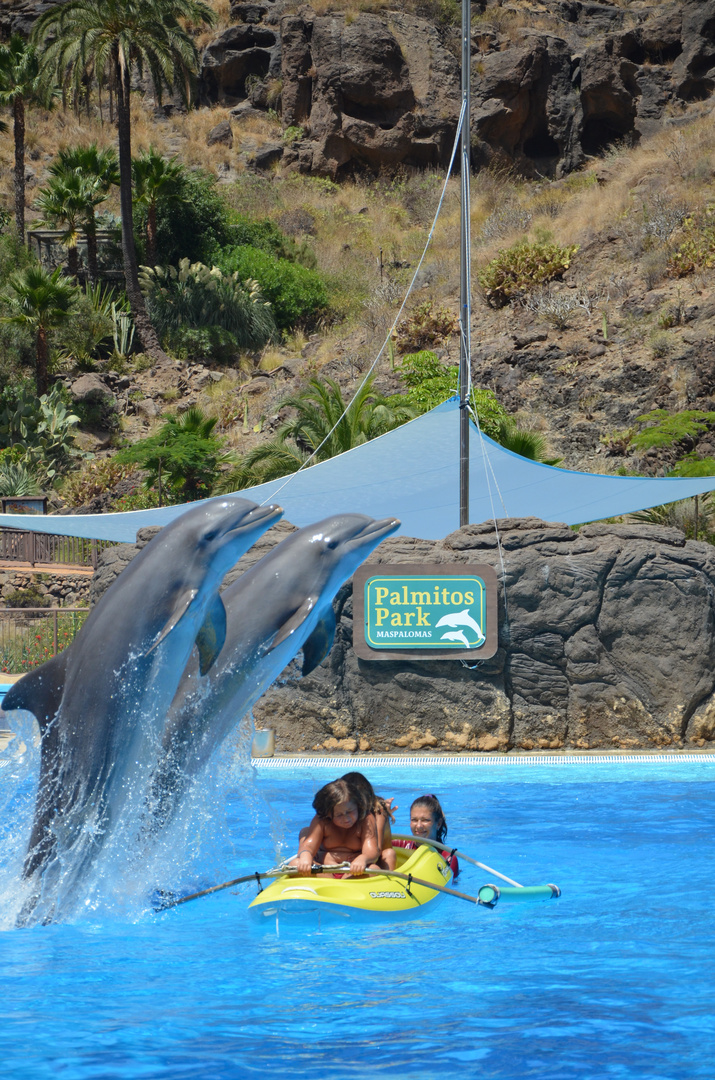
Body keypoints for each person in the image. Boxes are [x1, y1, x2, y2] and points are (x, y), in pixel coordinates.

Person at [293, 778, 378, 877]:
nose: (346, 818)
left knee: (373, 869)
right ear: (328, 814)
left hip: (353, 871)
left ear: (358, 806)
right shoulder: (322, 821)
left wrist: (363, 858)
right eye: (339, 815)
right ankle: (334, 885)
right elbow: (309, 845)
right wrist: (305, 856)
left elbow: (371, 850)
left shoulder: (365, 820)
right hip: (324, 870)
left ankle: (340, 886)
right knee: (295, 864)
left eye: (350, 811)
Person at [341, 771, 397, 870]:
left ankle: (388, 881)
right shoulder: (346, 812)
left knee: (389, 854)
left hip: (379, 859)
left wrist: (361, 857)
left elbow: (377, 849)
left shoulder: (378, 810)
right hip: (358, 856)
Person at [393, 794, 459, 877]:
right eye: (414, 820)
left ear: (438, 823)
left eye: (425, 820)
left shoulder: (447, 858)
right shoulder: (400, 845)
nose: (419, 826)